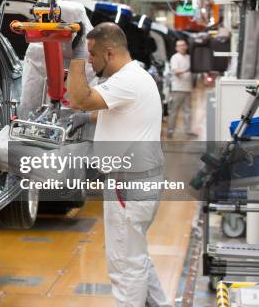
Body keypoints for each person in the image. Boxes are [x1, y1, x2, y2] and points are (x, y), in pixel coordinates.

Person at [66, 22, 170, 307]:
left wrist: (73, 55)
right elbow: (114, 111)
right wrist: (86, 120)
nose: (89, 59)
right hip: (139, 181)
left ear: (109, 53)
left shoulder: (126, 80)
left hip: (128, 183)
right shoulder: (136, 76)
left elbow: (79, 99)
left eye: (91, 54)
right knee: (135, 256)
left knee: (125, 266)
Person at [167, 39, 196, 138]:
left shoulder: (189, 57)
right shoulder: (175, 58)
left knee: (188, 111)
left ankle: (188, 130)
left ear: (186, 46)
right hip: (178, 88)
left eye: (184, 45)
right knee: (174, 110)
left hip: (188, 88)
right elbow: (176, 72)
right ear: (176, 48)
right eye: (180, 45)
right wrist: (187, 70)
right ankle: (170, 131)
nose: (182, 47)